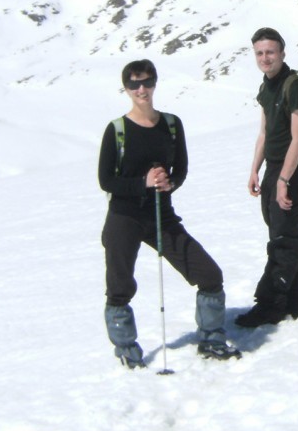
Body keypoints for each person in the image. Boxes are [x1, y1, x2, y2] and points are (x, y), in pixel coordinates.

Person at [98, 59, 240, 365]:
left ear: (155, 83)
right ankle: (125, 347)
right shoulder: (117, 130)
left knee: (209, 274)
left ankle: (212, 337)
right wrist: (144, 183)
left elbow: (181, 169)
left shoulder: (171, 125)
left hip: (161, 215)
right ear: (125, 88)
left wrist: (169, 184)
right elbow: (106, 180)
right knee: (119, 287)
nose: (142, 89)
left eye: (147, 82)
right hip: (124, 217)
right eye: (134, 84)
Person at [237, 28, 298, 327]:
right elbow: (264, 133)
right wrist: (255, 169)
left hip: (291, 172)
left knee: (283, 238)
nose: (265, 58)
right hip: (273, 171)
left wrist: (283, 180)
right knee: (286, 234)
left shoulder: (295, 87)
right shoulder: (267, 87)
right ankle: (296, 299)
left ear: (282, 52)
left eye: (270, 52)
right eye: (259, 53)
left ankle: (271, 304)